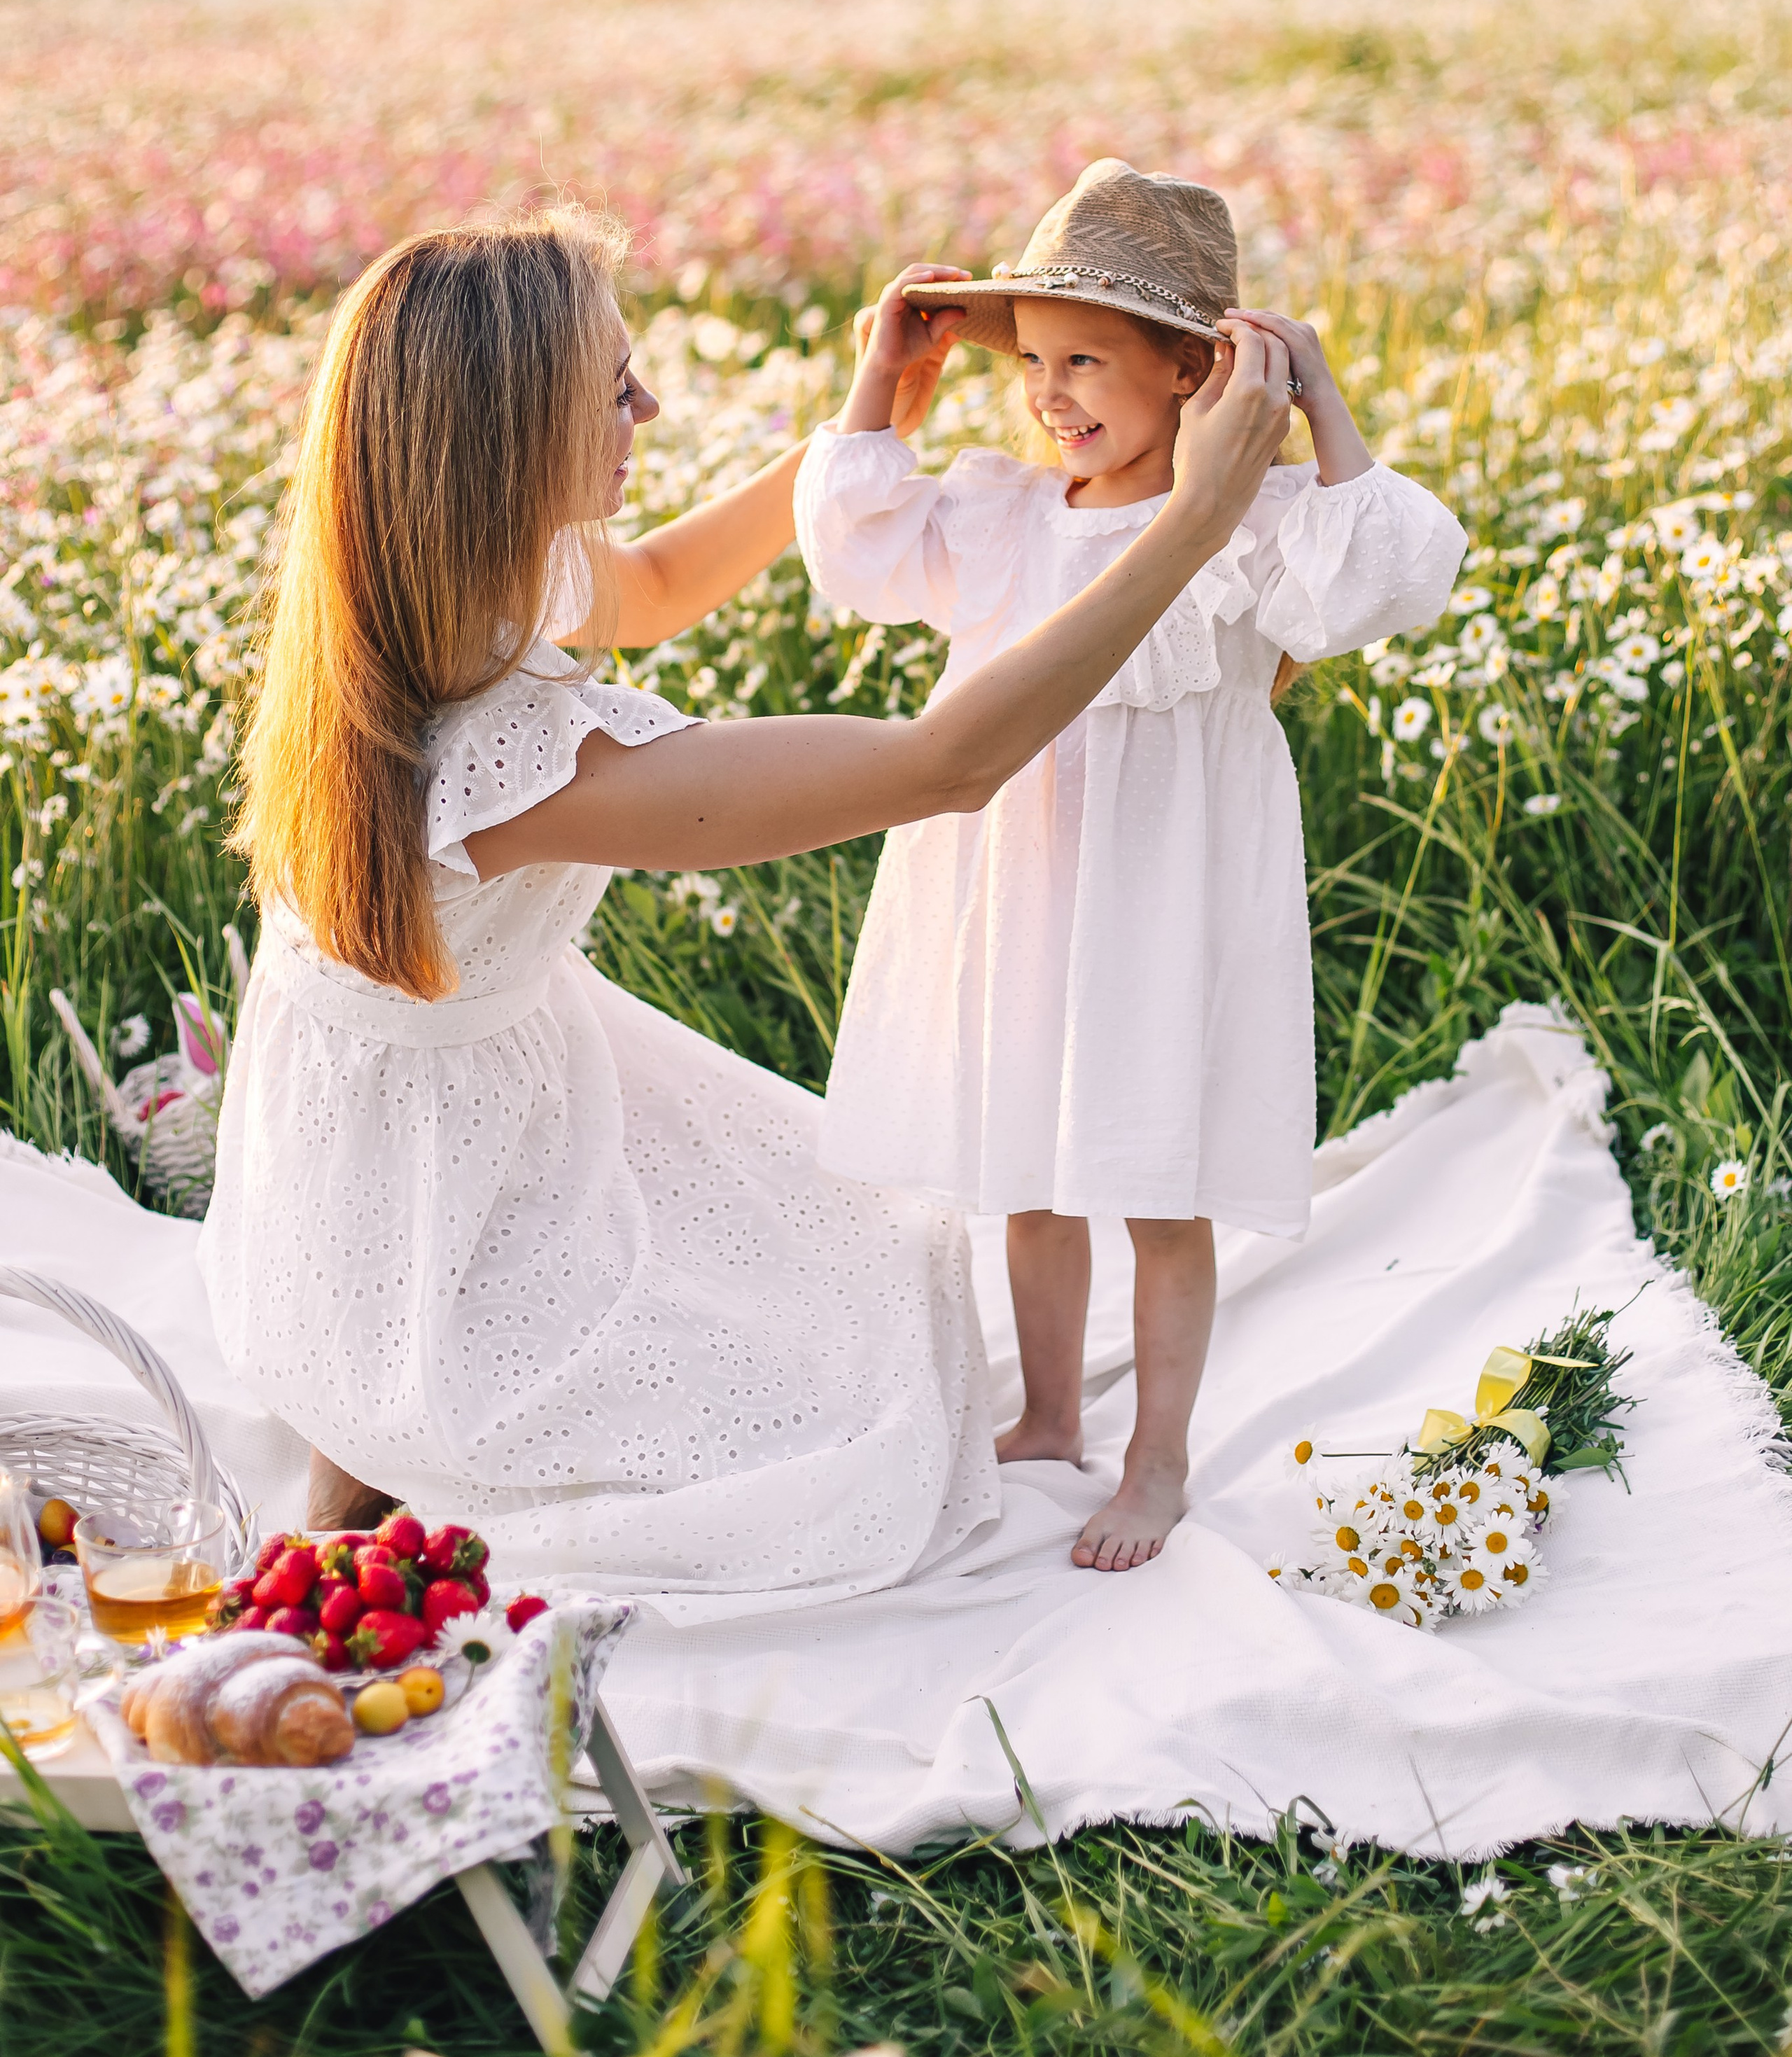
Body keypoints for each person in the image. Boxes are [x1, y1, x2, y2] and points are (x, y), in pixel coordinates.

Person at [196, 204, 1292, 1596]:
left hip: (442, 1099)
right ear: (510, 433)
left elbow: (650, 590)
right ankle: (395, 1418)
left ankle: (371, 1431)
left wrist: (874, 411)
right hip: (411, 1210)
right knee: (850, 1421)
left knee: (881, 1264)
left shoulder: (437, 572)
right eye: (612, 388)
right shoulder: (513, 770)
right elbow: (945, 766)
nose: (646, 405)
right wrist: (1188, 523)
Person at [794, 160, 1468, 1577]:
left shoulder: (1247, 526)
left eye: (1084, 359)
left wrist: (1313, 402)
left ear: (1188, 369)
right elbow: (851, 548)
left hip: (1164, 893)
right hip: (1019, 881)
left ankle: (1156, 1457)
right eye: (1029, 362)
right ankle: (1048, 1416)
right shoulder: (1001, 517)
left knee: (1156, 1183)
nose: (1047, 395)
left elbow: (1391, 576)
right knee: (1031, 1170)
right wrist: (880, 383)